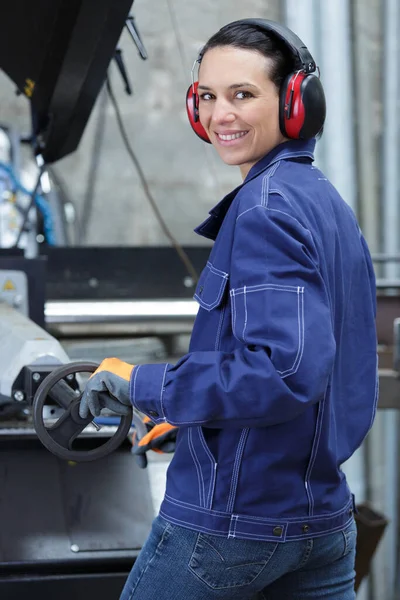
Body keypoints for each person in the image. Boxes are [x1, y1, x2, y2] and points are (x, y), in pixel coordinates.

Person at [79, 18, 378, 600]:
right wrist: (196, 418)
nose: (221, 116)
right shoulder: (325, 202)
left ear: (296, 103)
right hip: (321, 522)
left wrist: (141, 383)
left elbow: (284, 370)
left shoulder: (265, 208)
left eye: (243, 95)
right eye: (209, 98)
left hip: (234, 527)